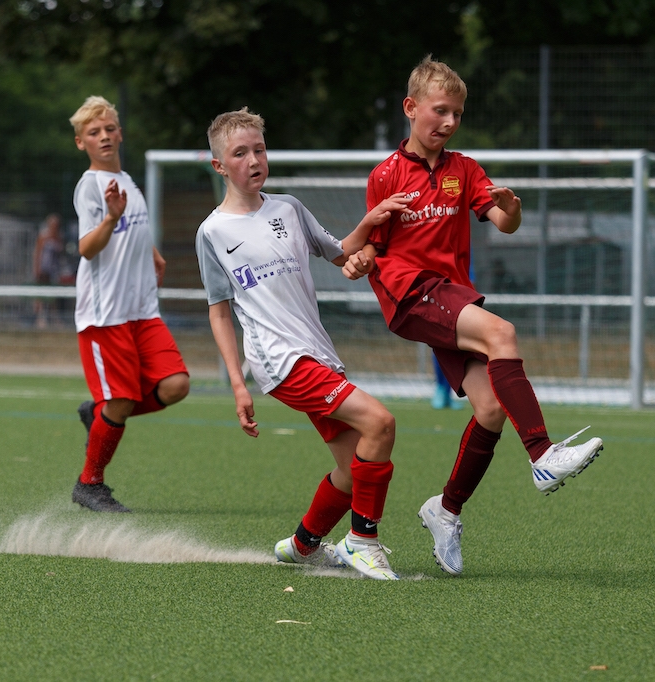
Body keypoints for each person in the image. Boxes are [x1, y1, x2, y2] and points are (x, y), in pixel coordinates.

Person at [342, 56, 604, 577]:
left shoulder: (464, 169)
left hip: (449, 296)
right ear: (410, 108)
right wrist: (361, 258)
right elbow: (373, 243)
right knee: (501, 331)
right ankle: (542, 455)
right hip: (410, 293)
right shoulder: (386, 174)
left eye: (457, 114)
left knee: (490, 410)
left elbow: (503, 222)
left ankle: (446, 510)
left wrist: (513, 207)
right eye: (440, 110)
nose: (449, 122)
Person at [197, 107, 408, 580]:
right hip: (280, 361)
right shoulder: (212, 232)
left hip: (318, 353)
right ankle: (362, 542)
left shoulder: (289, 208)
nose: (254, 160)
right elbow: (219, 310)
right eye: (240, 153)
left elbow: (341, 253)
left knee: (352, 470)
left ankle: (302, 545)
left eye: (259, 149)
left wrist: (370, 226)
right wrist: (237, 385)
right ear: (219, 166)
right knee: (381, 423)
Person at [68, 95, 190, 513]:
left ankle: (100, 415)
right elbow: (87, 248)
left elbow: (132, 231)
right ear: (81, 142)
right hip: (106, 315)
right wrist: (110, 219)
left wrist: (151, 252)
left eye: (109, 129)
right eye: (93, 132)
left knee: (176, 385)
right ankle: (90, 484)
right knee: (120, 401)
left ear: (120, 133)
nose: (103, 136)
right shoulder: (90, 186)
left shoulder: (127, 180)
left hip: (142, 310)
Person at [32, 213, 64, 328]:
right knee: (41, 294)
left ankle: (54, 318)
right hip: (43, 268)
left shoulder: (59, 237)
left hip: (54, 269)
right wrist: (37, 268)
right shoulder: (43, 236)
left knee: (53, 295)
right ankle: (40, 318)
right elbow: (37, 253)